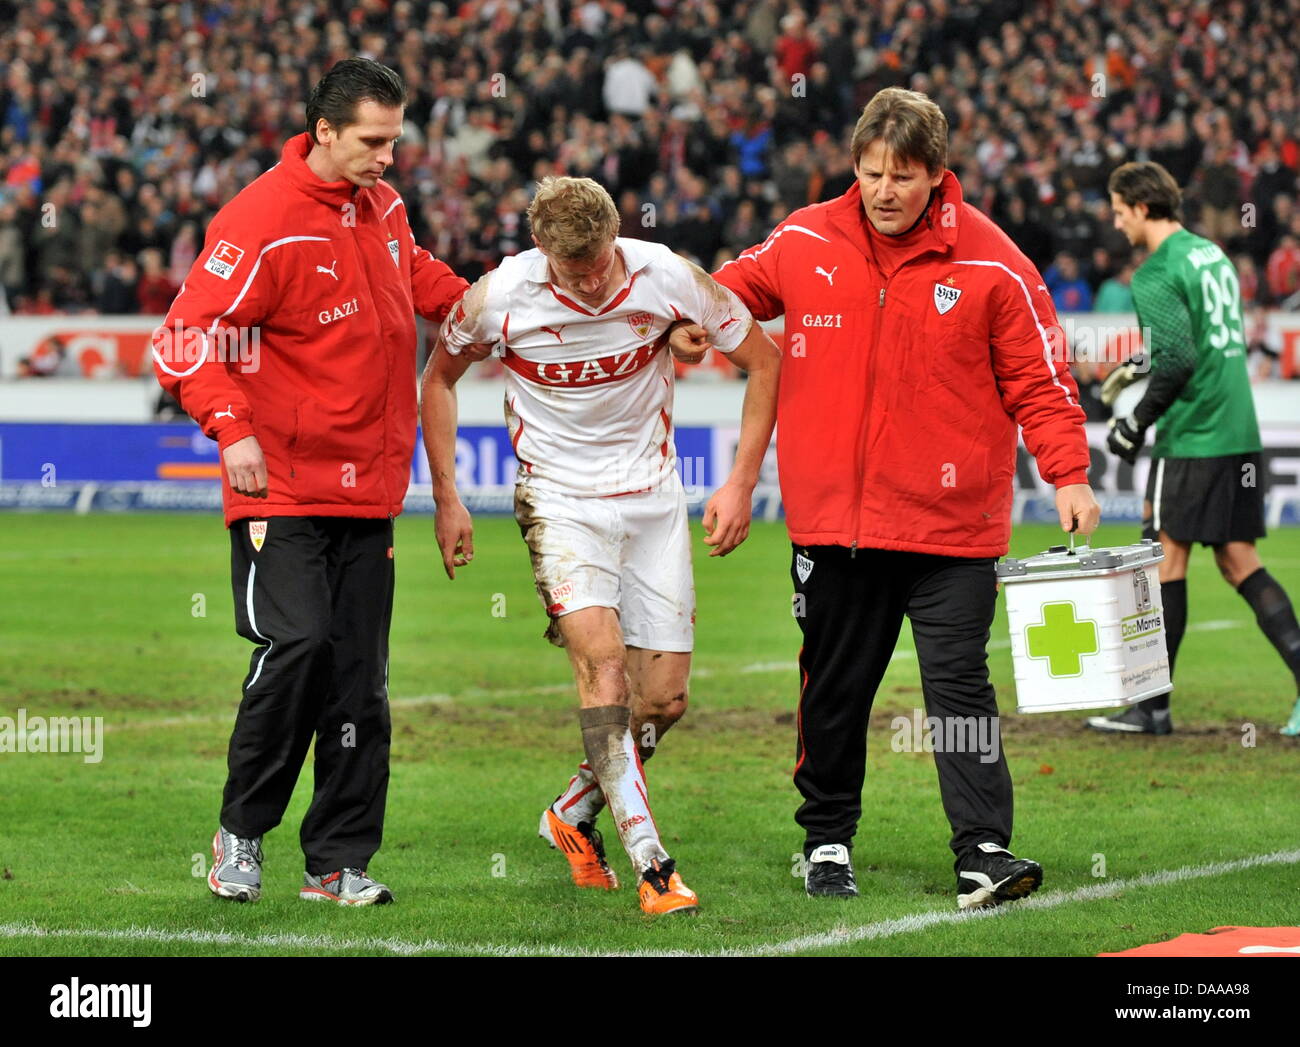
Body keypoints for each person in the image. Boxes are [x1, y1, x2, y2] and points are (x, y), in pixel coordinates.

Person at [676, 87, 1100, 908]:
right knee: (834, 688)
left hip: (953, 531)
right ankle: (826, 839)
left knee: (960, 692)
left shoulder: (994, 263)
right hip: (835, 527)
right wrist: (696, 320)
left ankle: (983, 848)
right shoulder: (804, 237)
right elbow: (731, 292)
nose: (883, 190)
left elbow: (1042, 384)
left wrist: (1068, 473)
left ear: (938, 175)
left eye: (903, 176)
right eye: (870, 172)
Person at [152, 58, 469, 905]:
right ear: (323, 130)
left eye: (395, 140)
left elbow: (419, 275)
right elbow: (183, 340)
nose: (388, 157)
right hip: (281, 489)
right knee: (294, 649)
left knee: (359, 680)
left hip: (370, 491)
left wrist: (489, 303)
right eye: (373, 140)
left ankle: (336, 862)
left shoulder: (384, 206)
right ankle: (240, 833)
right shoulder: (259, 220)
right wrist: (232, 428)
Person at [420, 175, 781, 916]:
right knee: (604, 669)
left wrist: (741, 483)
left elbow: (767, 361)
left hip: (652, 502)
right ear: (539, 250)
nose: (586, 281)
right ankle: (654, 865)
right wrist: (448, 494)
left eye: (597, 262)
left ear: (616, 236)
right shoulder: (499, 297)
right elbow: (438, 380)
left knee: (665, 699)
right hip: (559, 502)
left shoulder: (667, 276)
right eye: (569, 268)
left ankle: (573, 810)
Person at [1093, 160, 1300, 737]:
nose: (1116, 222)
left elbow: (1179, 359)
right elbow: (1192, 342)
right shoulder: (1211, 255)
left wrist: (1135, 423)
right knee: (1239, 562)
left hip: (1192, 436)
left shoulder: (1154, 272)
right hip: (1238, 431)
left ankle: (1151, 708)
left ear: (1139, 206)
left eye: (1117, 210)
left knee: (1163, 561)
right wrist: (1134, 365)